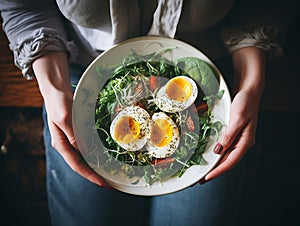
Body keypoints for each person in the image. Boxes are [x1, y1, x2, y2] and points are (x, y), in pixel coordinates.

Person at [0, 0, 295, 225]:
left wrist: (251, 85)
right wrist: (54, 90)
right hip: (80, 85)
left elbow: (265, 5)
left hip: (211, 87)